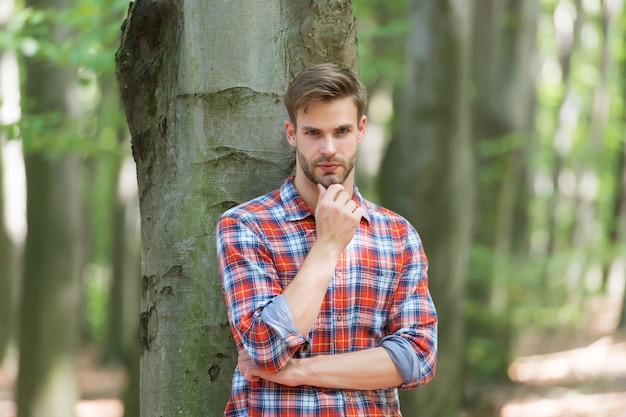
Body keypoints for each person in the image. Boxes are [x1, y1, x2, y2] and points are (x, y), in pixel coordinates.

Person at [216, 63, 437, 416]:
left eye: (342, 131)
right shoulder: (246, 225)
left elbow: (418, 358)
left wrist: (301, 370)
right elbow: (265, 349)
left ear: (361, 130)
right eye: (314, 133)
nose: (329, 148)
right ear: (292, 134)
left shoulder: (398, 235)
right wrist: (328, 244)